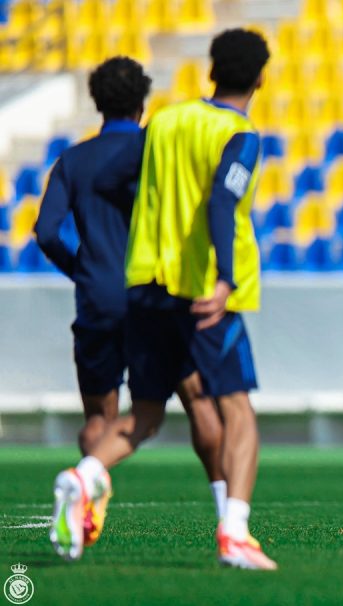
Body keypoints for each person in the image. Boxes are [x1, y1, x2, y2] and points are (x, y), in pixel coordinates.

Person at [49, 29, 275, 570]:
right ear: (262, 78)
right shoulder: (238, 134)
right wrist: (224, 277)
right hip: (201, 292)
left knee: (144, 415)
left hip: (146, 286)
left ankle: (83, 476)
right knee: (235, 409)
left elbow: (118, 179)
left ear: (212, 70)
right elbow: (223, 202)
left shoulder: (166, 123)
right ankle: (235, 532)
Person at [36, 56, 227, 551]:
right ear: (143, 103)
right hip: (154, 294)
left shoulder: (73, 160)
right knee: (200, 406)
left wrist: (82, 268)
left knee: (100, 417)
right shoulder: (152, 152)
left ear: (97, 103)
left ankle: (86, 502)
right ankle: (229, 514)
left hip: (97, 300)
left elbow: (45, 232)